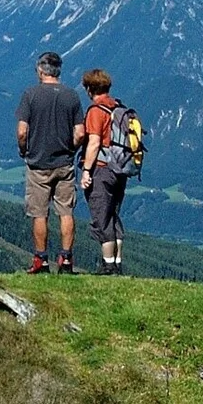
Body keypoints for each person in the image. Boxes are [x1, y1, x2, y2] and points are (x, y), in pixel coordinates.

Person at [15, 51, 84, 274]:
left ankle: (41, 260)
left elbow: (22, 131)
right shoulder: (71, 95)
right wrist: (71, 149)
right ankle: (66, 259)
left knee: (39, 213)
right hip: (64, 163)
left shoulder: (31, 95)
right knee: (66, 212)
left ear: (41, 70)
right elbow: (80, 133)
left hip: (38, 163)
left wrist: (24, 150)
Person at [79, 68, 128, 275]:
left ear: (90, 89)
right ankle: (116, 263)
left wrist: (86, 171)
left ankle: (108, 266)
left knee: (101, 216)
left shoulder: (96, 111)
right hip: (120, 169)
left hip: (102, 169)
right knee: (114, 215)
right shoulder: (118, 107)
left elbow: (94, 143)